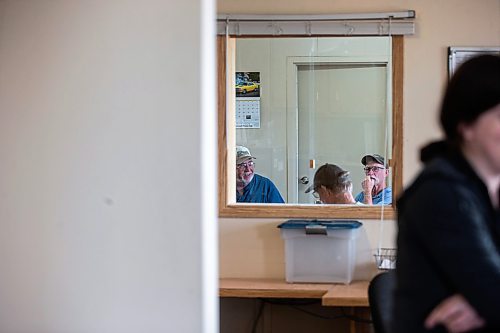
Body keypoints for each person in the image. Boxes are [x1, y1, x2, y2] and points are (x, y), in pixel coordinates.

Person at [393, 54, 500, 333]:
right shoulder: (441, 193)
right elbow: (493, 293)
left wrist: (483, 305)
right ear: (466, 125)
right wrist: (487, 304)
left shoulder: (490, 188)